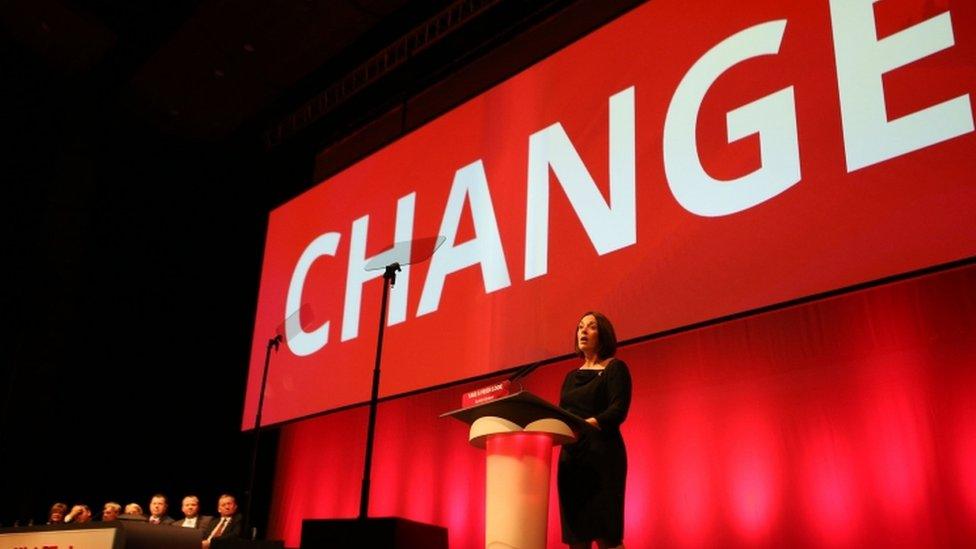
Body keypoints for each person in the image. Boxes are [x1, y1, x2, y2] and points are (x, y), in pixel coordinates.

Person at [557, 311, 632, 549]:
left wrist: (585, 424)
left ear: (604, 334)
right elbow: (562, 414)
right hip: (572, 459)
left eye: (591, 327)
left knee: (607, 535)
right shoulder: (570, 377)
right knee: (577, 537)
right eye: (580, 327)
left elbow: (617, 411)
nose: (583, 332)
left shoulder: (615, 368)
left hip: (603, 458)